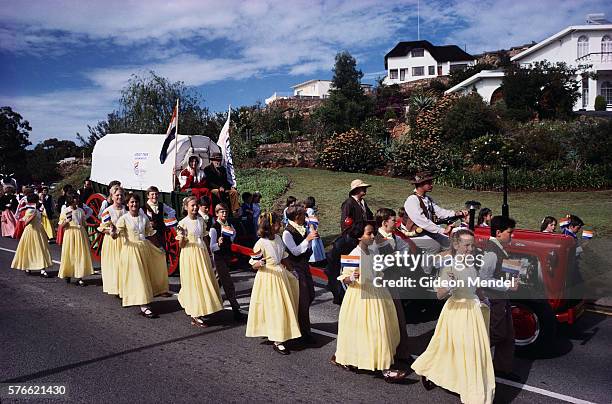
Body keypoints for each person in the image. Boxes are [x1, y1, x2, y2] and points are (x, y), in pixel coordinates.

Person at [412, 229, 495, 404]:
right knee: (461, 349)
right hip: (457, 312)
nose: (471, 248)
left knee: (469, 350)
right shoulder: (449, 266)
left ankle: (462, 383)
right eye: (467, 245)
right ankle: (465, 387)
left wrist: (483, 298)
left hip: (473, 311)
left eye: (473, 245)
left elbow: (475, 282)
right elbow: (439, 295)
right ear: (456, 245)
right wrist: (451, 285)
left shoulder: (471, 261)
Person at [331, 223, 407, 382]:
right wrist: (353, 277)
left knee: (382, 328)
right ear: (359, 237)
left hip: (377, 293)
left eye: (373, 234)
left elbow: (377, 270)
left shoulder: (372, 250)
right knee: (374, 330)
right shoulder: (353, 254)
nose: (373, 237)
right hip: (360, 296)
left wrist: (379, 275)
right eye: (369, 234)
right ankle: (385, 369)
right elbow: (344, 278)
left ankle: (371, 359)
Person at [247, 212, 302, 355]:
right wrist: (258, 263)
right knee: (275, 306)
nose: (280, 225)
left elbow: (284, 257)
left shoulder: (278, 238)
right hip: (268, 276)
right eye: (278, 223)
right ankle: (278, 340)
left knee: (283, 305)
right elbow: (253, 264)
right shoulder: (260, 243)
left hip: (280, 275)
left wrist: (292, 270)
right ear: (271, 225)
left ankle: (282, 332)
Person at [112, 193, 169, 318]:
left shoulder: (144, 218)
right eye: (131, 202)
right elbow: (116, 234)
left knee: (145, 275)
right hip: (131, 251)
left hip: (144, 249)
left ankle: (142, 298)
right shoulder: (124, 219)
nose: (134, 204)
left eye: (136, 202)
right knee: (138, 277)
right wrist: (113, 233)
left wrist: (159, 247)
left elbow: (150, 233)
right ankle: (144, 305)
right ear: (127, 204)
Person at [480, 215, 520, 381]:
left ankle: (502, 368)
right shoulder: (491, 253)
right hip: (494, 299)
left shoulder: (500, 249)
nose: (513, 235)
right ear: (498, 232)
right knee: (496, 335)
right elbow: (483, 279)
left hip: (502, 297)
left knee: (509, 335)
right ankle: (473, 360)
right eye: (510, 232)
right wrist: (507, 286)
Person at [374, 208, 414, 362]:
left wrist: (399, 257)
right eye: (393, 220)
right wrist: (392, 259)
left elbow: (406, 249)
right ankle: (383, 354)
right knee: (383, 320)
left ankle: (401, 351)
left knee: (398, 317)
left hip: (391, 282)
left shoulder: (395, 238)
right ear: (384, 223)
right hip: (379, 285)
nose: (396, 222)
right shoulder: (374, 239)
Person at [176, 196, 223, 327]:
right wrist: (183, 237)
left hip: (201, 253)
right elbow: (181, 245)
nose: (195, 207)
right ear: (186, 207)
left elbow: (204, 237)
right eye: (192, 205)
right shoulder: (183, 223)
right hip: (190, 254)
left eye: (196, 205)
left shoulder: (201, 220)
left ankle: (203, 306)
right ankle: (194, 313)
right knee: (193, 281)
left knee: (204, 279)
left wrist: (209, 252)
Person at [325, 179, 374, 304]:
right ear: (356, 190)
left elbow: (369, 217)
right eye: (363, 188)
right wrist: (356, 236)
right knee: (346, 270)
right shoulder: (348, 203)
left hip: (360, 240)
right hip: (350, 242)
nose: (365, 189)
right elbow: (345, 226)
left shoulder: (362, 203)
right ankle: (341, 296)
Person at [404, 171, 467, 258]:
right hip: (413, 234)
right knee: (434, 247)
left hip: (427, 231)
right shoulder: (412, 200)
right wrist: (441, 230)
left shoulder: (428, 199)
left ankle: (444, 266)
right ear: (421, 184)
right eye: (429, 183)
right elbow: (422, 221)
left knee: (450, 244)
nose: (432, 185)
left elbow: (440, 212)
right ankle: (425, 270)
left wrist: (456, 214)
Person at [282, 204, 318, 343]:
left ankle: (299, 322)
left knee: (311, 294)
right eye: (304, 215)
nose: (306, 217)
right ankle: (305, 332)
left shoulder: (303, 228)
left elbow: (304, 249)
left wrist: (310, 239)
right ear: (297, 217)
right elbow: (295, 251)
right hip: (295, 266)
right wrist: (307, 239)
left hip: (304, 264)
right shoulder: (287, 232)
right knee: (303, 299)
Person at [209, 203, 244, 321]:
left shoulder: (229, 225)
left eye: (225, 212)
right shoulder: (214, 228)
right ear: (217, 214)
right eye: (221, 212)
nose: (224, 214)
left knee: (216, 282)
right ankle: (235, 308)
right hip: (218, 258)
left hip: (227, 256)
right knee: (228, 283)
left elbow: (233, 239)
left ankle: (209, 305)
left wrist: (233, 235)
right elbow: (212, 247)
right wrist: (218, 244)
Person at [57, 192, 94, 285]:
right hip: (70, 234)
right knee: (70, 254)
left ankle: (79, 276)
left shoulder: (80, 210)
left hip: (80, 234)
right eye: (74, 198)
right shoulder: (65, 210)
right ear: (70, 200)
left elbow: (83, 223)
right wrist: (67, 221)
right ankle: (68, 273)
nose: (76, 200)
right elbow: (62, 226)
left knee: (80, 254)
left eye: (77, 198)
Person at [10, 193, 53, 274]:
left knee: (41, 249)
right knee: (30, 249)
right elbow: (26, 223)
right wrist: (33, 215)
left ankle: (42, 268)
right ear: (35, 201)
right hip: (31, 231)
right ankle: (28, 267)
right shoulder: (30, 210)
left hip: (39, 231)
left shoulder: (36, 209)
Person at [97, 185, 127, 296]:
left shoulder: (126, 209)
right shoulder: (107, 211)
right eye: (117, 195)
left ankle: (125, 287)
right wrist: (111, 232)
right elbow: (103, 228)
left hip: (125, 240)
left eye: (121, 195)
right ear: (112, 196)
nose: (119, 197)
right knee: (116, 265)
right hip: (112, 241)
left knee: (126, 265)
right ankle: (117, 289)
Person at [143, 186, 177, 250]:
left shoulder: (162, 205)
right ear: (148, 196)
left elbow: (172, 212)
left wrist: (166, 219)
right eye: (152, 194)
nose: (155, 196)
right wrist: (148, 223)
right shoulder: (143, 208)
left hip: (161, 232)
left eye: (156, 194)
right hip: (150, 235)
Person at [304, 196, 326, 264]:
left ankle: (313, 259)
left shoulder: (308, 211)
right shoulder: (311, 210)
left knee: (312, 244)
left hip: (310, 229)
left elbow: (310, 220)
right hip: (312, 229)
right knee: (315, 244)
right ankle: (317, 258)